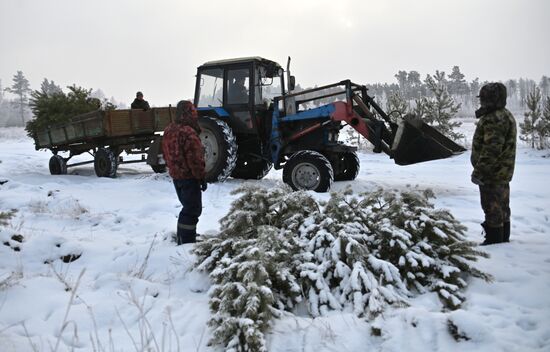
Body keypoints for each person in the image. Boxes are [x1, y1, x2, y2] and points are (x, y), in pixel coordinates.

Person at [471, 82, 517, 245]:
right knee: (503, 206)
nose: (481, 101)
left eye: (484, 98)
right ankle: (503, 237)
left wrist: (479, 172)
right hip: (502, 172)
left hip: (492, 173)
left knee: (492, 207)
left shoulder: (494, 119)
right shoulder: (504, 114)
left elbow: (491, 149)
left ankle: (494, 240)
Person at [162, 100, 207, 245]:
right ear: (188, 112)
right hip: (189, 177)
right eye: (193, 110)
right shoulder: (188, 132)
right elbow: (195, 159)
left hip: (176, 177)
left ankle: (184, 235)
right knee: (192, 210)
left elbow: (165, 153)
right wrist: (201, 177)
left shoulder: (169, 130)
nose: (195, 113)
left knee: (187, 208)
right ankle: (186, 242)